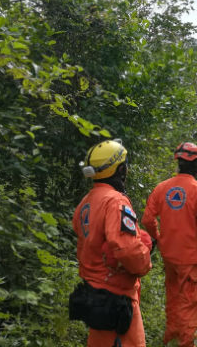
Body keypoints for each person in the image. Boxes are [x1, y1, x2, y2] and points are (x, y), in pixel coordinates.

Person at [72, 139, 152, 347]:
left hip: (95, 296)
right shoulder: (115, 201)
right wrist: (145, 259)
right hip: (116, 297)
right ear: (122, 169)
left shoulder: (86, 202)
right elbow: (126, 248)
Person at [142, 142, 197, 347]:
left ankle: (171, 336)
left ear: (178, 162)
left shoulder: (161, 188)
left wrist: (157, 238)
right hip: (190, 258)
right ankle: (185, 343)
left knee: (174, 297)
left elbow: (148, 219)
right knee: (190, 303)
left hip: (169, 256)